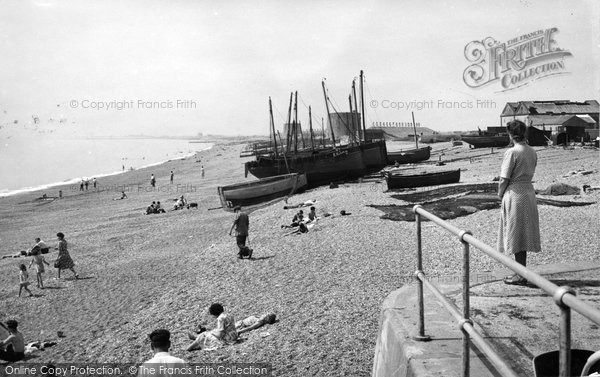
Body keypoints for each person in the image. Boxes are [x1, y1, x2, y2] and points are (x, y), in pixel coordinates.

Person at [497, 120, 541, 286]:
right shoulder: (532, 151)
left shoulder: (512, 152)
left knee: (516, 234)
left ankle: (520, 274)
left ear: (510, 134)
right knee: (523, 235)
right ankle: (521, 272)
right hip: (528, 192)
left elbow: (504, 178)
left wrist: (500, 194)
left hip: (515, 193)